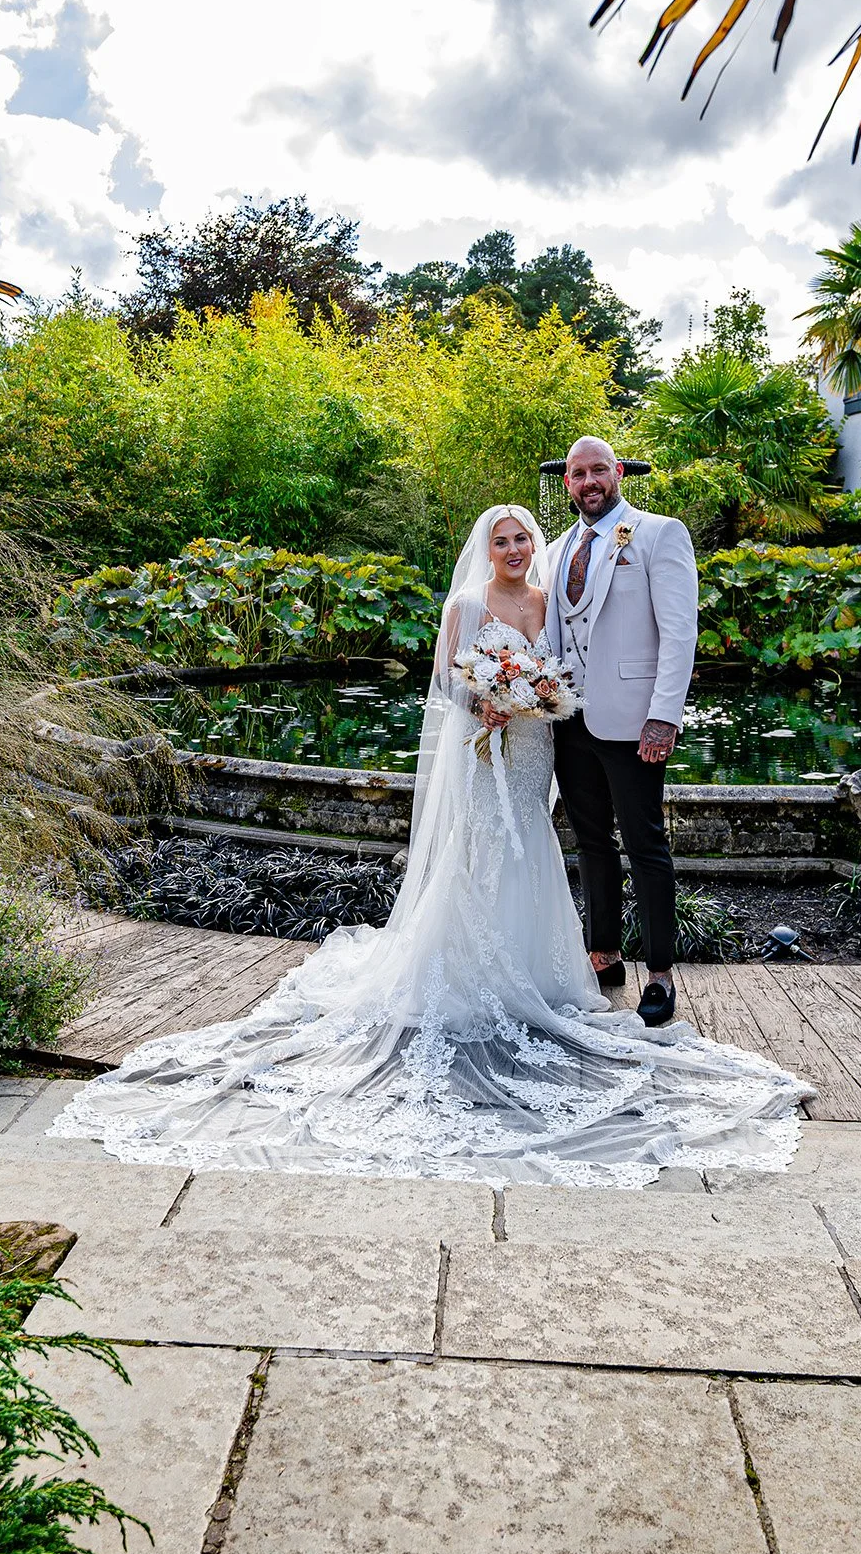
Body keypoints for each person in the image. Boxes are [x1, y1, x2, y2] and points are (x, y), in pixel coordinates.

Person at [49, 504, 810, 1187]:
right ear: (486, 546)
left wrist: (536, 696)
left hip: (535, 745)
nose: (514, 548)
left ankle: (544, 973)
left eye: (523, 538)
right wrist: (483, 697)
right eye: (502, 539)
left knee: (534, 850)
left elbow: (558, 668)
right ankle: (469, 968)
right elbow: (446, 680)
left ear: (533, 544)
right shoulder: (465, 602)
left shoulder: (545, 600)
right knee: (480, 849)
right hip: (486, 745)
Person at [546, 435, 698, 1027]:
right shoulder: (556, 549)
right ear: (567, 482)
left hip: (635, 720)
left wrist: (664, 714)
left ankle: (659, 973)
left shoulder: (660, 533)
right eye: (578, 473)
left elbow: (679, 633)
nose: (589, 481)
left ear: (618, 473)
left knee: (645, 845)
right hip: (570, 719)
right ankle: (603, 955)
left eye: (599, 470)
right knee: (591, 844)